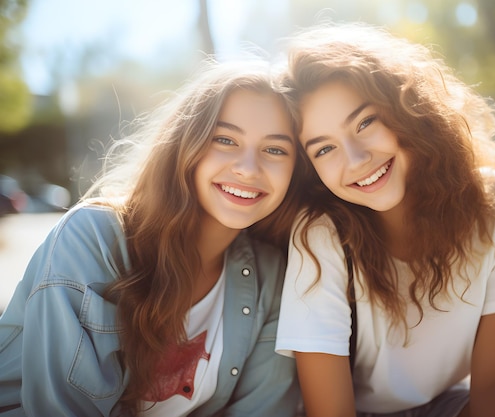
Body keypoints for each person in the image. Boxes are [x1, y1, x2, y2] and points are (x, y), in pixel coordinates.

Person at [275, 22, 495, 417]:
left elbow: (493, 381)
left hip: (449, 405)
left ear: (405, 108)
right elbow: (330, 412)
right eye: (324, 150)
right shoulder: (321, 234)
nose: (355, 159)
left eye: (365, 122)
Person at [0, 58, 305, 416]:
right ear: (184, 144)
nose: (249, 167)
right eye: (225, 139)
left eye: (275, 149)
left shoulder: (272, 277)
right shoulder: (91, 240)